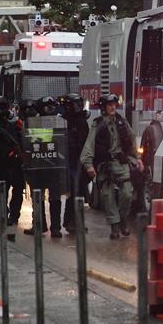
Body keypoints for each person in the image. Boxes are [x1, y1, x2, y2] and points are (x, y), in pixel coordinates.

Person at [80, 94, 143, 239]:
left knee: (127, 193)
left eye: (114, 104)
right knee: (107, 196)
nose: (113, 107)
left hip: (121, 162)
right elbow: (89, 146)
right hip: (105, 165)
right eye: (109, 105)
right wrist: (89, 165)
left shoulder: (122, 122)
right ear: (103, 107)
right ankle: (115, 226)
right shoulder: (98, 124)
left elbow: (132, 140)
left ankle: (122, 220)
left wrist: (137, 158)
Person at [23, 96, 66, 238]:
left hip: (53, 166)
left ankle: (55, 228)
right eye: (47, 107)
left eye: (52, 107)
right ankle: (40, 225)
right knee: (38, 197)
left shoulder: (60, 122)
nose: (50, 110)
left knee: (55, 197)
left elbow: (63, 143)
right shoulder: (32, 124)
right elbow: (27, 144)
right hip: (38, 166)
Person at [0, 96, 24, 228]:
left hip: (15, 161)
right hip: (0, 162)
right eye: (0, 107)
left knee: (18, 189)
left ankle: (14, 215)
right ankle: (3, 216)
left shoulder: (14, 123)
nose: (3, 110)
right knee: (3, 190)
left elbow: (22, 137)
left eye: (4, 107)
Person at [59, 93, 90, 234]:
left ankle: (74, 221)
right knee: (74, 190)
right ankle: (70, 221)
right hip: (69, 161)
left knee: (79, 192)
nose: (77, 107)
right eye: (74, 105)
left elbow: (86, 140)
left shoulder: (82, 121)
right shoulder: (63, 121)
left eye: (79, 104)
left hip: (81, 160)